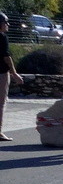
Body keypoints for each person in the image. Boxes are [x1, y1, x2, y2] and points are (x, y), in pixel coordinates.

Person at [0, 12, 24, 141]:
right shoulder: (2, 37)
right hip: (1, 73)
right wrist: (14, 73)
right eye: (5, 22)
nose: (7, 25)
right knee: (1, 103)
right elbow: (6, 57)